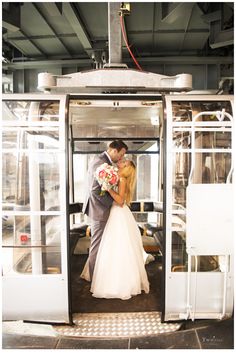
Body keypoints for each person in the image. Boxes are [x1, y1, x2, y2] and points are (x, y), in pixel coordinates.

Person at [81, 159, 150, 300]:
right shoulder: (116, 176)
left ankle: (119, 282)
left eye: (124, 162)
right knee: (112, 247)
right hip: (114, 213)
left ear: (126, 167)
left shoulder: (123, 179)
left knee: (118, 246)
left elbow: (120, 201)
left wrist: (108, 188)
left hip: (118, 213)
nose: (121, 161)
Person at [82, 139, 128, 280]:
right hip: (99, 210)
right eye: (121, 154)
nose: (121, 158)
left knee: (102, 244)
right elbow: (94, 190)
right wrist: (113, 202)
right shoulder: (101, 163)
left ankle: (99, 275)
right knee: (97, 245)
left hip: (99, 208)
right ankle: (94, 278)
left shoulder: (102, 161)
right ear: (114, 150)